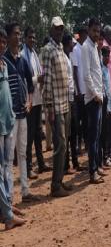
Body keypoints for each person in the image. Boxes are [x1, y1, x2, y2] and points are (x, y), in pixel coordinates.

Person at [3, 22, 37, 202]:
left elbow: (31, 85)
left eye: (18, 34)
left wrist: (30, 102)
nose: (18, 37)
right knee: (9, 158)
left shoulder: (22, 60)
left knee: (23, 153)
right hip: (9, 118)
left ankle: (25, 191)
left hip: (23, 115)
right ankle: (9, 197)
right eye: (14, 34)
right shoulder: (4, 60)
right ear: (7, 37)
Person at [41, 16, 72, 197]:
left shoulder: (61, 49)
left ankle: (59, 181)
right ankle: (55, 186)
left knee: (64, 144)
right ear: (51, 30)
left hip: (64, 102)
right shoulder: (47, 50)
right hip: (55, 106)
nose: (59, 31)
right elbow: (46, 81)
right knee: (59, 146)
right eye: (57, 29)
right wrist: (50, 108)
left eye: (61, 29)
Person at [0, 28, 26, 229]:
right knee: (1, 170)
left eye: (2, 41)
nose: (1, 44)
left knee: (8, 166)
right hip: (1, 125)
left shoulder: (3, 64)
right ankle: (7, 215)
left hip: (8, 121)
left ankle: (7, 204)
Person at [21, 27, 51, 180]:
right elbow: (24, 79)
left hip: (38, 98)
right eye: (30, 37)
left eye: (34, 37)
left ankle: (41, 163)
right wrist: (36, 79)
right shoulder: (23, 55)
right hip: (29, 99)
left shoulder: (33, 54)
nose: (32, 40)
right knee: (30, 134)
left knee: (38, 133)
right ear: (25, 39)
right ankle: (28, 168)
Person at [82, 18, 105, 184]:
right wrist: (96, 94)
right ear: (89, 30)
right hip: (92, 99)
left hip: (99, 97)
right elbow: (86, 75)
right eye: (94, 31)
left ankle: (97, 167)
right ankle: (92, 172)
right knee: (92, 137)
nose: (97, 34)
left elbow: (97, 73)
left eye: (98, 31)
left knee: (97, 135)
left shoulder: (95, 47)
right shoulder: (85, 47)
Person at [63, 34, 84, 174]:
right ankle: (66, 165)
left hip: (72, 98)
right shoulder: (63, 59)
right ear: (67, 44)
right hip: (67, 100)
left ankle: (75, 162)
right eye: (72, 43)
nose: (74, 45)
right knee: (68, 134)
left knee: (75, 131)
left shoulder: (69, 58)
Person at [71, 26, 88, 155]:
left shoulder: (85, 49)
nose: (86, 37)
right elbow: (75, 70)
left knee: (85, 120)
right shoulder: (76, 49)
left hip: (86, 91)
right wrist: (77, 90)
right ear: (81, 35)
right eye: (85, 34)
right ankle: (78, 146)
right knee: (78, 122)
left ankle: (85, 144)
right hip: (79, 92)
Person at [100, 46, 111, 168]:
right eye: (105, 55)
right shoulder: (100, 69)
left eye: (108, 56)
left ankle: (108, 153)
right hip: (104, 104)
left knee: (109, 131)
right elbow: (103, 88)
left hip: (109, 103)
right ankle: (105, 157)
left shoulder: (107, 68)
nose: (107, 58)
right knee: (104, 132)